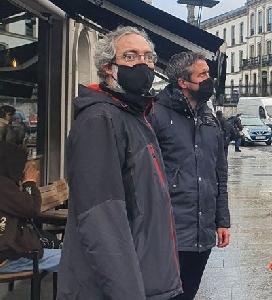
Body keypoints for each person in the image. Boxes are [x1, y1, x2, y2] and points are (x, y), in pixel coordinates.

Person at [57, 26, 182, 299]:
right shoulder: (100, 120)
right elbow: (102, 220)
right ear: (108, 68)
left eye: (148, 57)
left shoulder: (134, 115)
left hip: (143, 277)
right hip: (114, 289)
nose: (143, 63)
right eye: (130, 56)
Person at [148, 52, 230, 300]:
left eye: (208, 73)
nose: (209, 80)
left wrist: (222, 220)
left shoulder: (208, 117)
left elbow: (219, 173)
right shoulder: (156, 115)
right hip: (169, 230)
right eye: (202, 74)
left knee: (188, 293)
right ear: (182, 82)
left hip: (202, 232)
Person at [0, 142, 61, 274]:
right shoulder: (3, 186)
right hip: (7, 258)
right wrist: (29, 183)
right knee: (73, 259)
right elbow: (31, 208)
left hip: (8, 253)